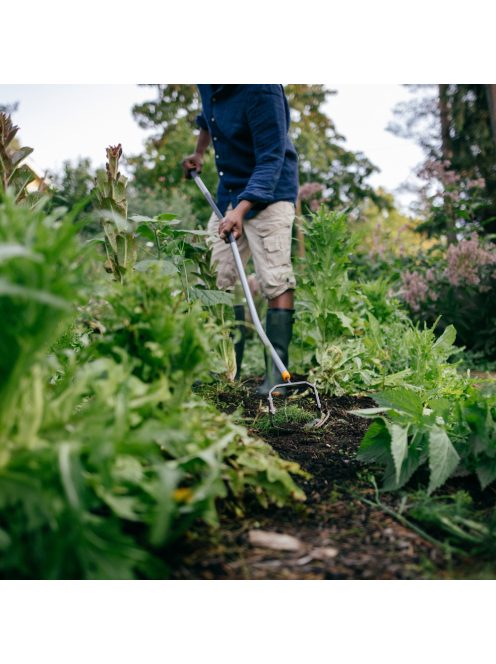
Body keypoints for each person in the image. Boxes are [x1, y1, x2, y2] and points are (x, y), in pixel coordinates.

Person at [182, 84, 298, 395]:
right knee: (214, 277)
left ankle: (276, 377)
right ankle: (224, 369)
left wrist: (243, 210)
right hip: (230, 193)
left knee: (275, 278)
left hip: (271, 194)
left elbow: (272, 158)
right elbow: (209, 116)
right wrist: (199, 151)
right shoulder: (208, 83)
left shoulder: (262, 90)